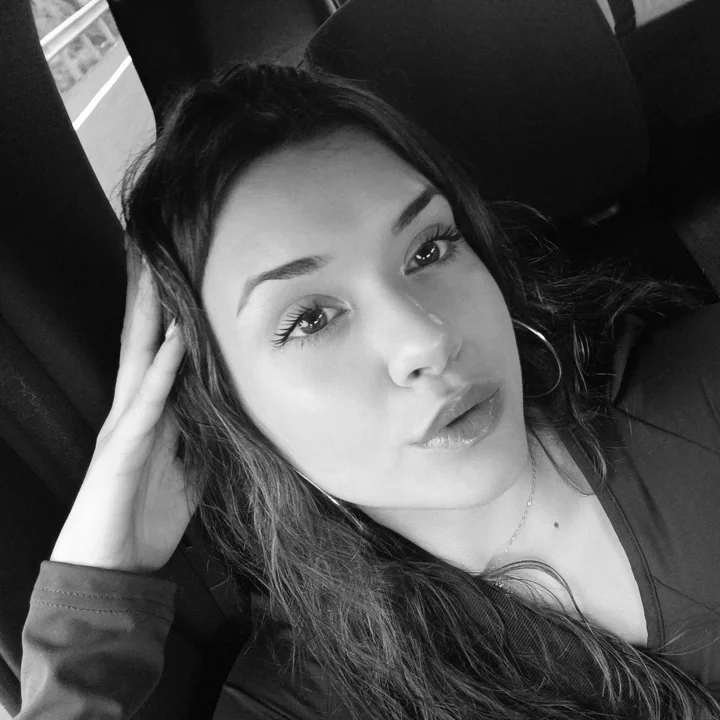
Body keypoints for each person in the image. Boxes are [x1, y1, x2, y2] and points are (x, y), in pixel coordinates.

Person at [15, 63, 720, 720]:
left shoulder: (699, 383)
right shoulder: (306, 698)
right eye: (310, 318)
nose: (427, 341)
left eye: (429, 248)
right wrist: (89, 606)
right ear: (226, 406)